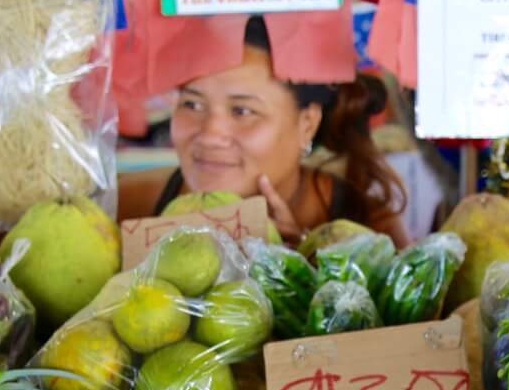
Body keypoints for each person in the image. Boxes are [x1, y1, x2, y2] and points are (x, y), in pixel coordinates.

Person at [119, 17, 410, 245]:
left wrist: (305, 267)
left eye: (242, 111)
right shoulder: (129, 208)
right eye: (192, 104)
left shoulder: (369, 226)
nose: (209, 134)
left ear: (307, 124)